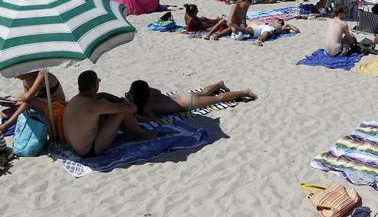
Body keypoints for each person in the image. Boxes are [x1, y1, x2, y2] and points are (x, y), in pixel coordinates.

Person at [63, 71, 156, 158]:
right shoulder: (93, 105)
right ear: (95, 86)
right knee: (122, 112)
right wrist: (125, 102)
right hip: (89, 150)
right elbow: (131, 108)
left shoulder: (75, 100)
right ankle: (140, 134)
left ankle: (133, 132)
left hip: (75, 146)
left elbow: (102, 95)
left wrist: (119, 100)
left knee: (104, 100)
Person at [126, 80, 257, 121]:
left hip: (188, 104)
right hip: (181, 96)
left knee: (218, 98)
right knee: (203, 93)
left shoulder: (146, 106)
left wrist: (138, 115)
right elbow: (159, 93)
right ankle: (218, 84)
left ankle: (244, 92)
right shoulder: (151, 92)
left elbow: (154, 119)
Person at [0, 71, 66, 138]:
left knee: (31, 102)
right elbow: (25, 101)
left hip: (56, 106)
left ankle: (5, 126)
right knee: (4, 114)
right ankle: (8, 123)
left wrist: (14, 98)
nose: (15, 77)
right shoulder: (25, 80)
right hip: (40, 106)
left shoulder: (42, 75)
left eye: (16, 75)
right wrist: (10, 103)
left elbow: (28, 97)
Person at [230, 19, 300, 46]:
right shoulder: (270, 23)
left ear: (280, 21)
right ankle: (237, 28)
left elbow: (297, 31)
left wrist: (289, 25)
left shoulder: (282, 26)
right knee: (247, 30)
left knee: (265, 33)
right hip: (261, 26)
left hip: (270, 29)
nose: (274, 20)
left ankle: (258, 41)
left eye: (276, 19)